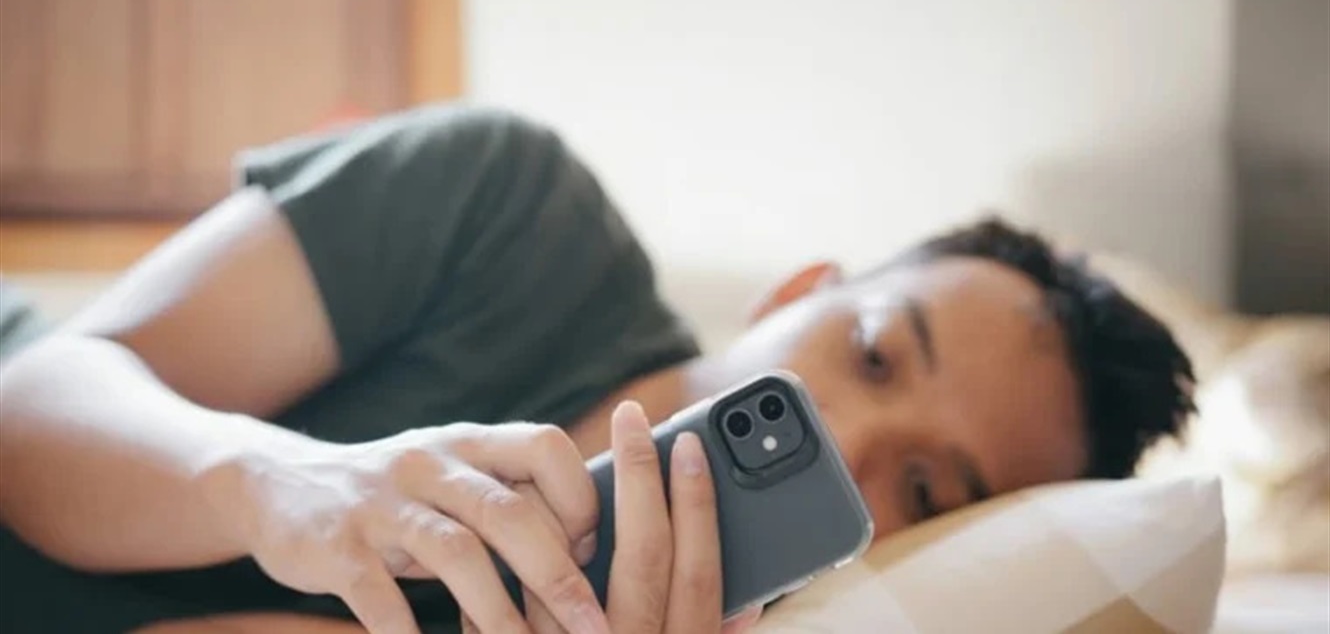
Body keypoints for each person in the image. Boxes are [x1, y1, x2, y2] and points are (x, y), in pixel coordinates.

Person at [0, 105, 1194, 634]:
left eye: (924, 489)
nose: (849, 434)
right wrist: (277, 485)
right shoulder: (513, 206)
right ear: (796, 289)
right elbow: (34, 406)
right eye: (874, 353)